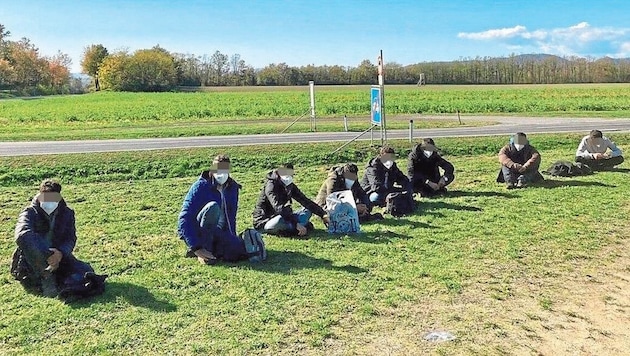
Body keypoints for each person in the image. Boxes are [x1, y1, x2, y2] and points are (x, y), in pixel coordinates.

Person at [11, 179, 103, 298]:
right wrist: (48, 255)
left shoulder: (67, 213)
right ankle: (47, 278)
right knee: (31, 244)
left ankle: (67, 282)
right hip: (34, 259)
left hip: (58, 255)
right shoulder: (29, 213)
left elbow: (70, 238)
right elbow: (22, 235)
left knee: (86, 270)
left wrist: (60, 253)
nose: (49, 202)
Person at [178, 154, 246, 265]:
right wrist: (196, 247)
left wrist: (232, 239)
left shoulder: (232, 188)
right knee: (212, 208)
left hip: (219, 232)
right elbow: (185, 217)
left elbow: (231, 217)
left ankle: (217, 250)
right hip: (201, 231)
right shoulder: (200, 186)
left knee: (240, 251)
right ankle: (203, 250)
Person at [253, 163, 330, 237]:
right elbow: (278, 207)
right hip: (266, 221)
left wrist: (322, 214)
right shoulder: (271, 186)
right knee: (279, 220)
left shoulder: (289, 185)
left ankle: (294, 227)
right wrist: (295, 223)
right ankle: (297, 227)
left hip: (285, 217)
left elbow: (304, 200)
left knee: (308, 210)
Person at [315, 163, 382, 222]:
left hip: (345, 205)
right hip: (326, 206)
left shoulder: (354, 179)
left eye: (353, 178)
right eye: (349, 178)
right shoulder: (333, 180)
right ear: (344, 175)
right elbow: (332, 200)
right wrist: (355, 208)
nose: (351, 180)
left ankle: (361, 216)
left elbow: (362, 193)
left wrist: (366, 206)